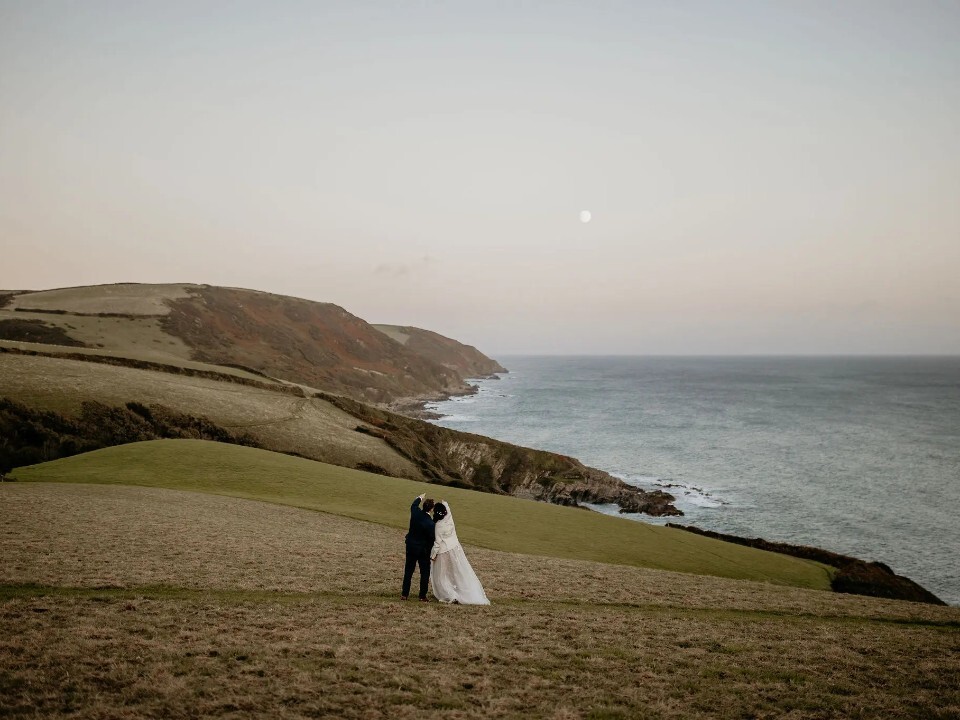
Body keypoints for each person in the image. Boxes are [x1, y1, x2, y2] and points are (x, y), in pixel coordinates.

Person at [430, 500, 490, 605]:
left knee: (442, 575)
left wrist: (433, 555)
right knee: (457, 571)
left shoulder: (438, 525)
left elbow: (437, 542)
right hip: (455, 548)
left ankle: (450, 595)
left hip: (443, 552)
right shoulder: (449, 518)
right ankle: (459, 590)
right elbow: (448, 508)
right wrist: (444, 503)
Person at [401, 493, 435, 601]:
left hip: (411, 546)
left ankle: (404, 594)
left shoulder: (415, 513)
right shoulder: (430, 523)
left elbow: (413, 505)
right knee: (424, 573)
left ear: (423, 506)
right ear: (431, 509)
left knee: (408, 571)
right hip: (423, 551)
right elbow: (431, 539)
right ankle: (422, 596)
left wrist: (420, 497)